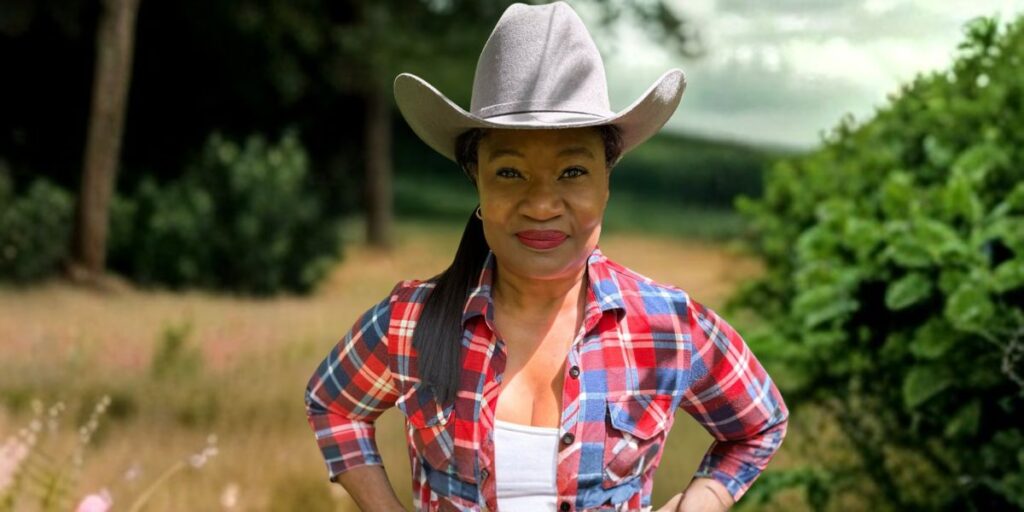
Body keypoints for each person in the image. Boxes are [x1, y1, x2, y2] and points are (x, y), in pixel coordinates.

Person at [304, 2, 788, 511]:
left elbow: (761, 425)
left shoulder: (667, 325)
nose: (540, 205)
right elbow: (333, 406)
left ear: (606, 181)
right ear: (477, 180)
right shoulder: (411, 322)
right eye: (509, 173)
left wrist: (700, 502)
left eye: (572, 172)